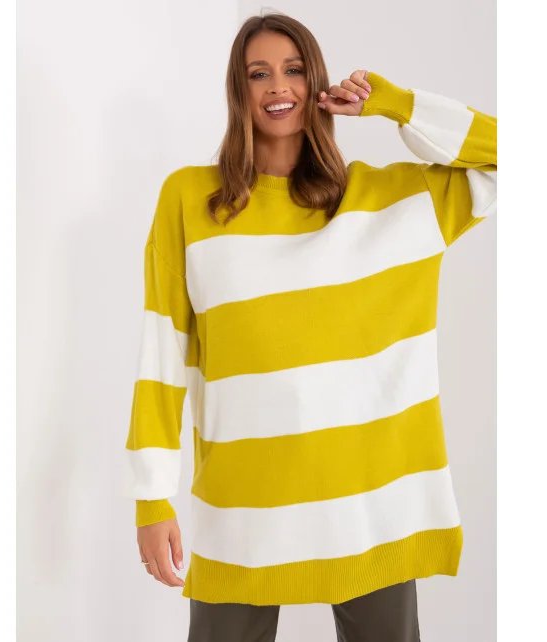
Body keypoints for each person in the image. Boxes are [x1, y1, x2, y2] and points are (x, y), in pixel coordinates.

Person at [124, 11, 496, 642]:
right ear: (238, 90)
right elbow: (162, 356)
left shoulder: (387, 201)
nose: (278, 87)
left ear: (316, 82)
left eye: (294, 70)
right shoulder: (191, 201)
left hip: (369, 509)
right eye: (258, 73)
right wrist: (151, 497)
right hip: (243, 510)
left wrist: (397, 104)